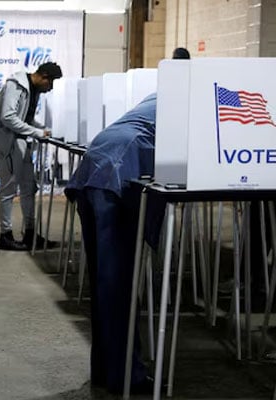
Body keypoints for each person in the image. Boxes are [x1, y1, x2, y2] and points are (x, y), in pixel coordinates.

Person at [66, 94, 165, 395]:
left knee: (104, 281)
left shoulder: (161, 94)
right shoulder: (196, 102)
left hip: (94, 166)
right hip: (118, 175)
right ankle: (126, 376)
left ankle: (105, 369)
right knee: (119, 282)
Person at [0, 62, 63, 251]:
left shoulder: (32, 89)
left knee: (29, 188)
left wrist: (42, 129)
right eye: (50, 83)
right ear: (43, 76)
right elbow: (8, 117)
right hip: (8, 142)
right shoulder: (17, 85)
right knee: (8, 189)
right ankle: (5, 235)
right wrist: (38, 133)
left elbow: (24, 118)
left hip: (19, 141)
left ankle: (30, 234)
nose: (50, 89)